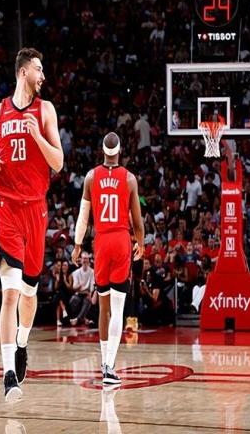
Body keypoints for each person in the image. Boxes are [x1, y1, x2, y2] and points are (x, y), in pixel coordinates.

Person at [0, 47, 63, 401]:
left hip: (36, 210)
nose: (43, 75)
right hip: (8, 209)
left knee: (30, 292)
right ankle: (8, 374)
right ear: (23, 72)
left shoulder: (45, 110)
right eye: (39, 69)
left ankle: (22, 343)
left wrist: (37, 136)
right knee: (10, 291)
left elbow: (58, 162)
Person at [72, 132, 144, 385]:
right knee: (118, 309)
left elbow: (83, 216)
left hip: (101, 242)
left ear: (103, 151)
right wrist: (141, 243)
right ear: (120, 151)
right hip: (121, 240)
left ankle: (104, 362)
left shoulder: (91, 177)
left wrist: (77, 244)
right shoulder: (130, 179)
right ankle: (110, 367)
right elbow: (137, 221)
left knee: (103, 308)